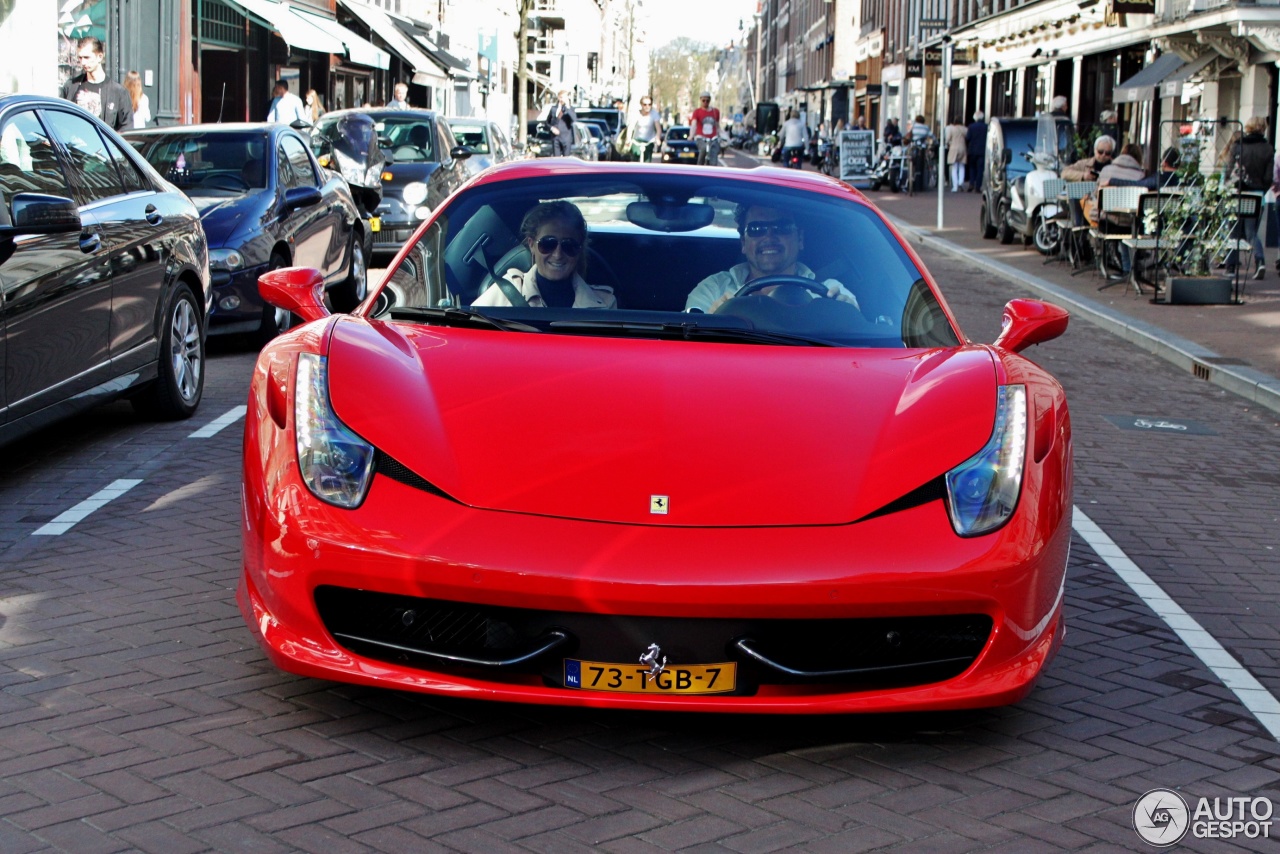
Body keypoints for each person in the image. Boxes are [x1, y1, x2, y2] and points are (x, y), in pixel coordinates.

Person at [685, 204, 859, 313]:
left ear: (800, 239)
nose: (769, 237)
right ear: (744, 243)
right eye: (756, 229)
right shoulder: (713, 290)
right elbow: (690, 355)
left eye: (781, 227)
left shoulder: (830, 293)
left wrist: (848, 316)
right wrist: (713, 323)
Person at [471, 201, 616, 308]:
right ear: (531, 244)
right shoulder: (505, 291)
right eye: (548, 244)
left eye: (569, 246)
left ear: (579, 250)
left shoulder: (605, 304)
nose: (558, 254)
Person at [1227, 117, 1274, 278]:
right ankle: (1260, 261)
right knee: (1251, 232)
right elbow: (1269, 178)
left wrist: (1231, 185)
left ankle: (1231, 266)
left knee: (1233, 231)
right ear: (1263, 129)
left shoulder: (1238, 146)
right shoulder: (1268, 149)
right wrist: (1261, 189)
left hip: (1238, 193)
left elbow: (1229, 170)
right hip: (1256, 195)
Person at [60, 37, 132, 131]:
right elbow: (61, 120)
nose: (83, 62)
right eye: (80, 58)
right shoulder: (71, 86)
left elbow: (126, 128)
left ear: (100, 57)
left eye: (87, 57)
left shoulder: (118, 92)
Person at [691, 92, 721, 166]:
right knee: (703, 148)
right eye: (703, 100)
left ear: (710, 100)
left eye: (707, 100)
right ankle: (699, 167)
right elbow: (694, 125)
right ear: (700, 100)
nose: (705, 102)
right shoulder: (697, 112)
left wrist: (723, 135)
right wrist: (691, 135)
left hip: (713, 137)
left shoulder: (716, 112)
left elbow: (717, 126)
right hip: (701, 137)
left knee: (714, 154)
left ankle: (713, 171)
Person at [630, 95, 662, 162]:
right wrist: (628, 139)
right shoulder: (637, 114)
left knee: (647, 160)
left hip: (649, 140)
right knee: (635, 158)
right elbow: (631, 127)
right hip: (637, 140)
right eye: (645, 104)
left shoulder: (654, 114)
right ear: (641, 105)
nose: (647, 106)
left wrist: (658, 138)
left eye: (649, 104)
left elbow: (658, 129)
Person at [544, 90, 576, 156]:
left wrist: (568, 107)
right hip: (555, 138)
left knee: (566, 161)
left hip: (566, 139)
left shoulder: (570, 109)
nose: (562, 99)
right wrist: (552, 128)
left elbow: (574, 119)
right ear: (558, 97)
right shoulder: (553, 109)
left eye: (564, 97)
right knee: (556, 160)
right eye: (561, 97)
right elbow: (547, 123)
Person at [966, 111, 986, 191]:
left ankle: (971, 183)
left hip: (972, 150)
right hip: (982, 150)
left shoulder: (971, 126)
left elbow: (968, 138)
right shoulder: (986, 127)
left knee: (972, 168)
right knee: (980, 169)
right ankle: (978, 186)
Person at [945, 118, 967, 192]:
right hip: (963, 148)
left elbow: (947, 139)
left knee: (954, 167)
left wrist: (948, 143)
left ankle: (955, 186)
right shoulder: (965, 129)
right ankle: (961, 182)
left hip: (953, 148)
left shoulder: (951, 129)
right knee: (961, 166)